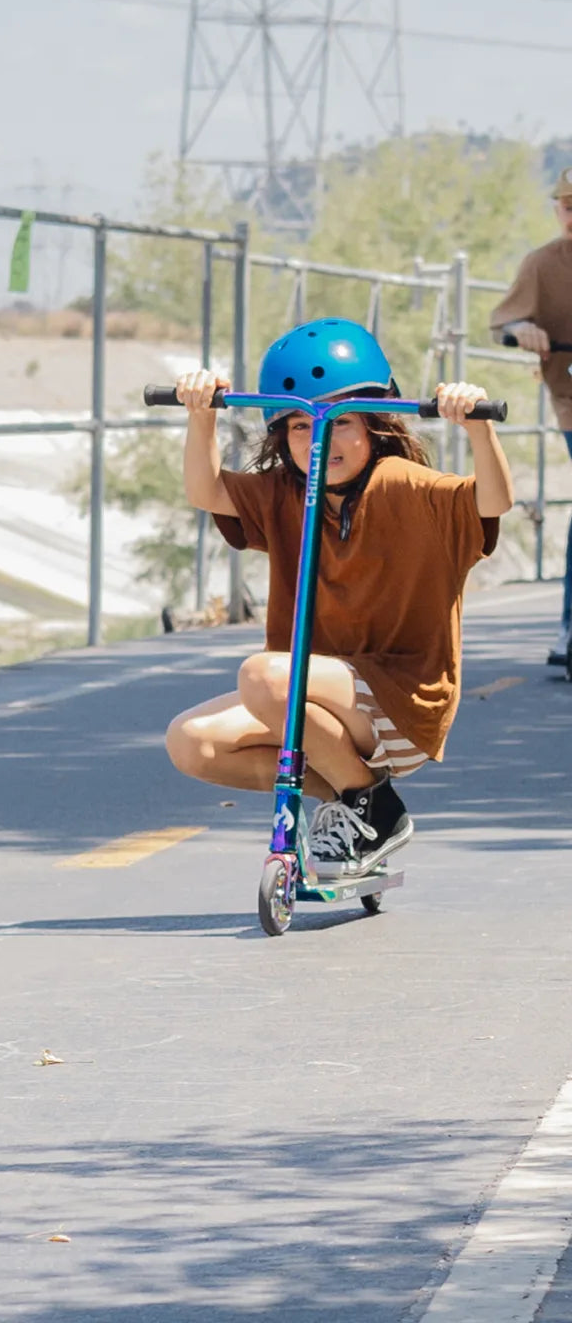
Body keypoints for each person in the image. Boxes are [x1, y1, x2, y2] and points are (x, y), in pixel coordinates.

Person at [164, 317, 513, 878]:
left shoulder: (403, 484)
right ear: (283, 438)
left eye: (340, 421)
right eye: (301, 425)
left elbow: (493, 502)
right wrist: (201, 414)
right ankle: (353, 803)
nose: (320, 439)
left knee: (263, 676)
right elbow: (206, 490)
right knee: (191, 742)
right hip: (314, 701)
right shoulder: (285, 493)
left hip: (401, 705)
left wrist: (478, 428)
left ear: (375, 425)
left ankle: (376, 808)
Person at [489, 166, 572, 667]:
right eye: (568, 205)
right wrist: (522, 328)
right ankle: (570, 629)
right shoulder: (542, 264)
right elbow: (504, 320)